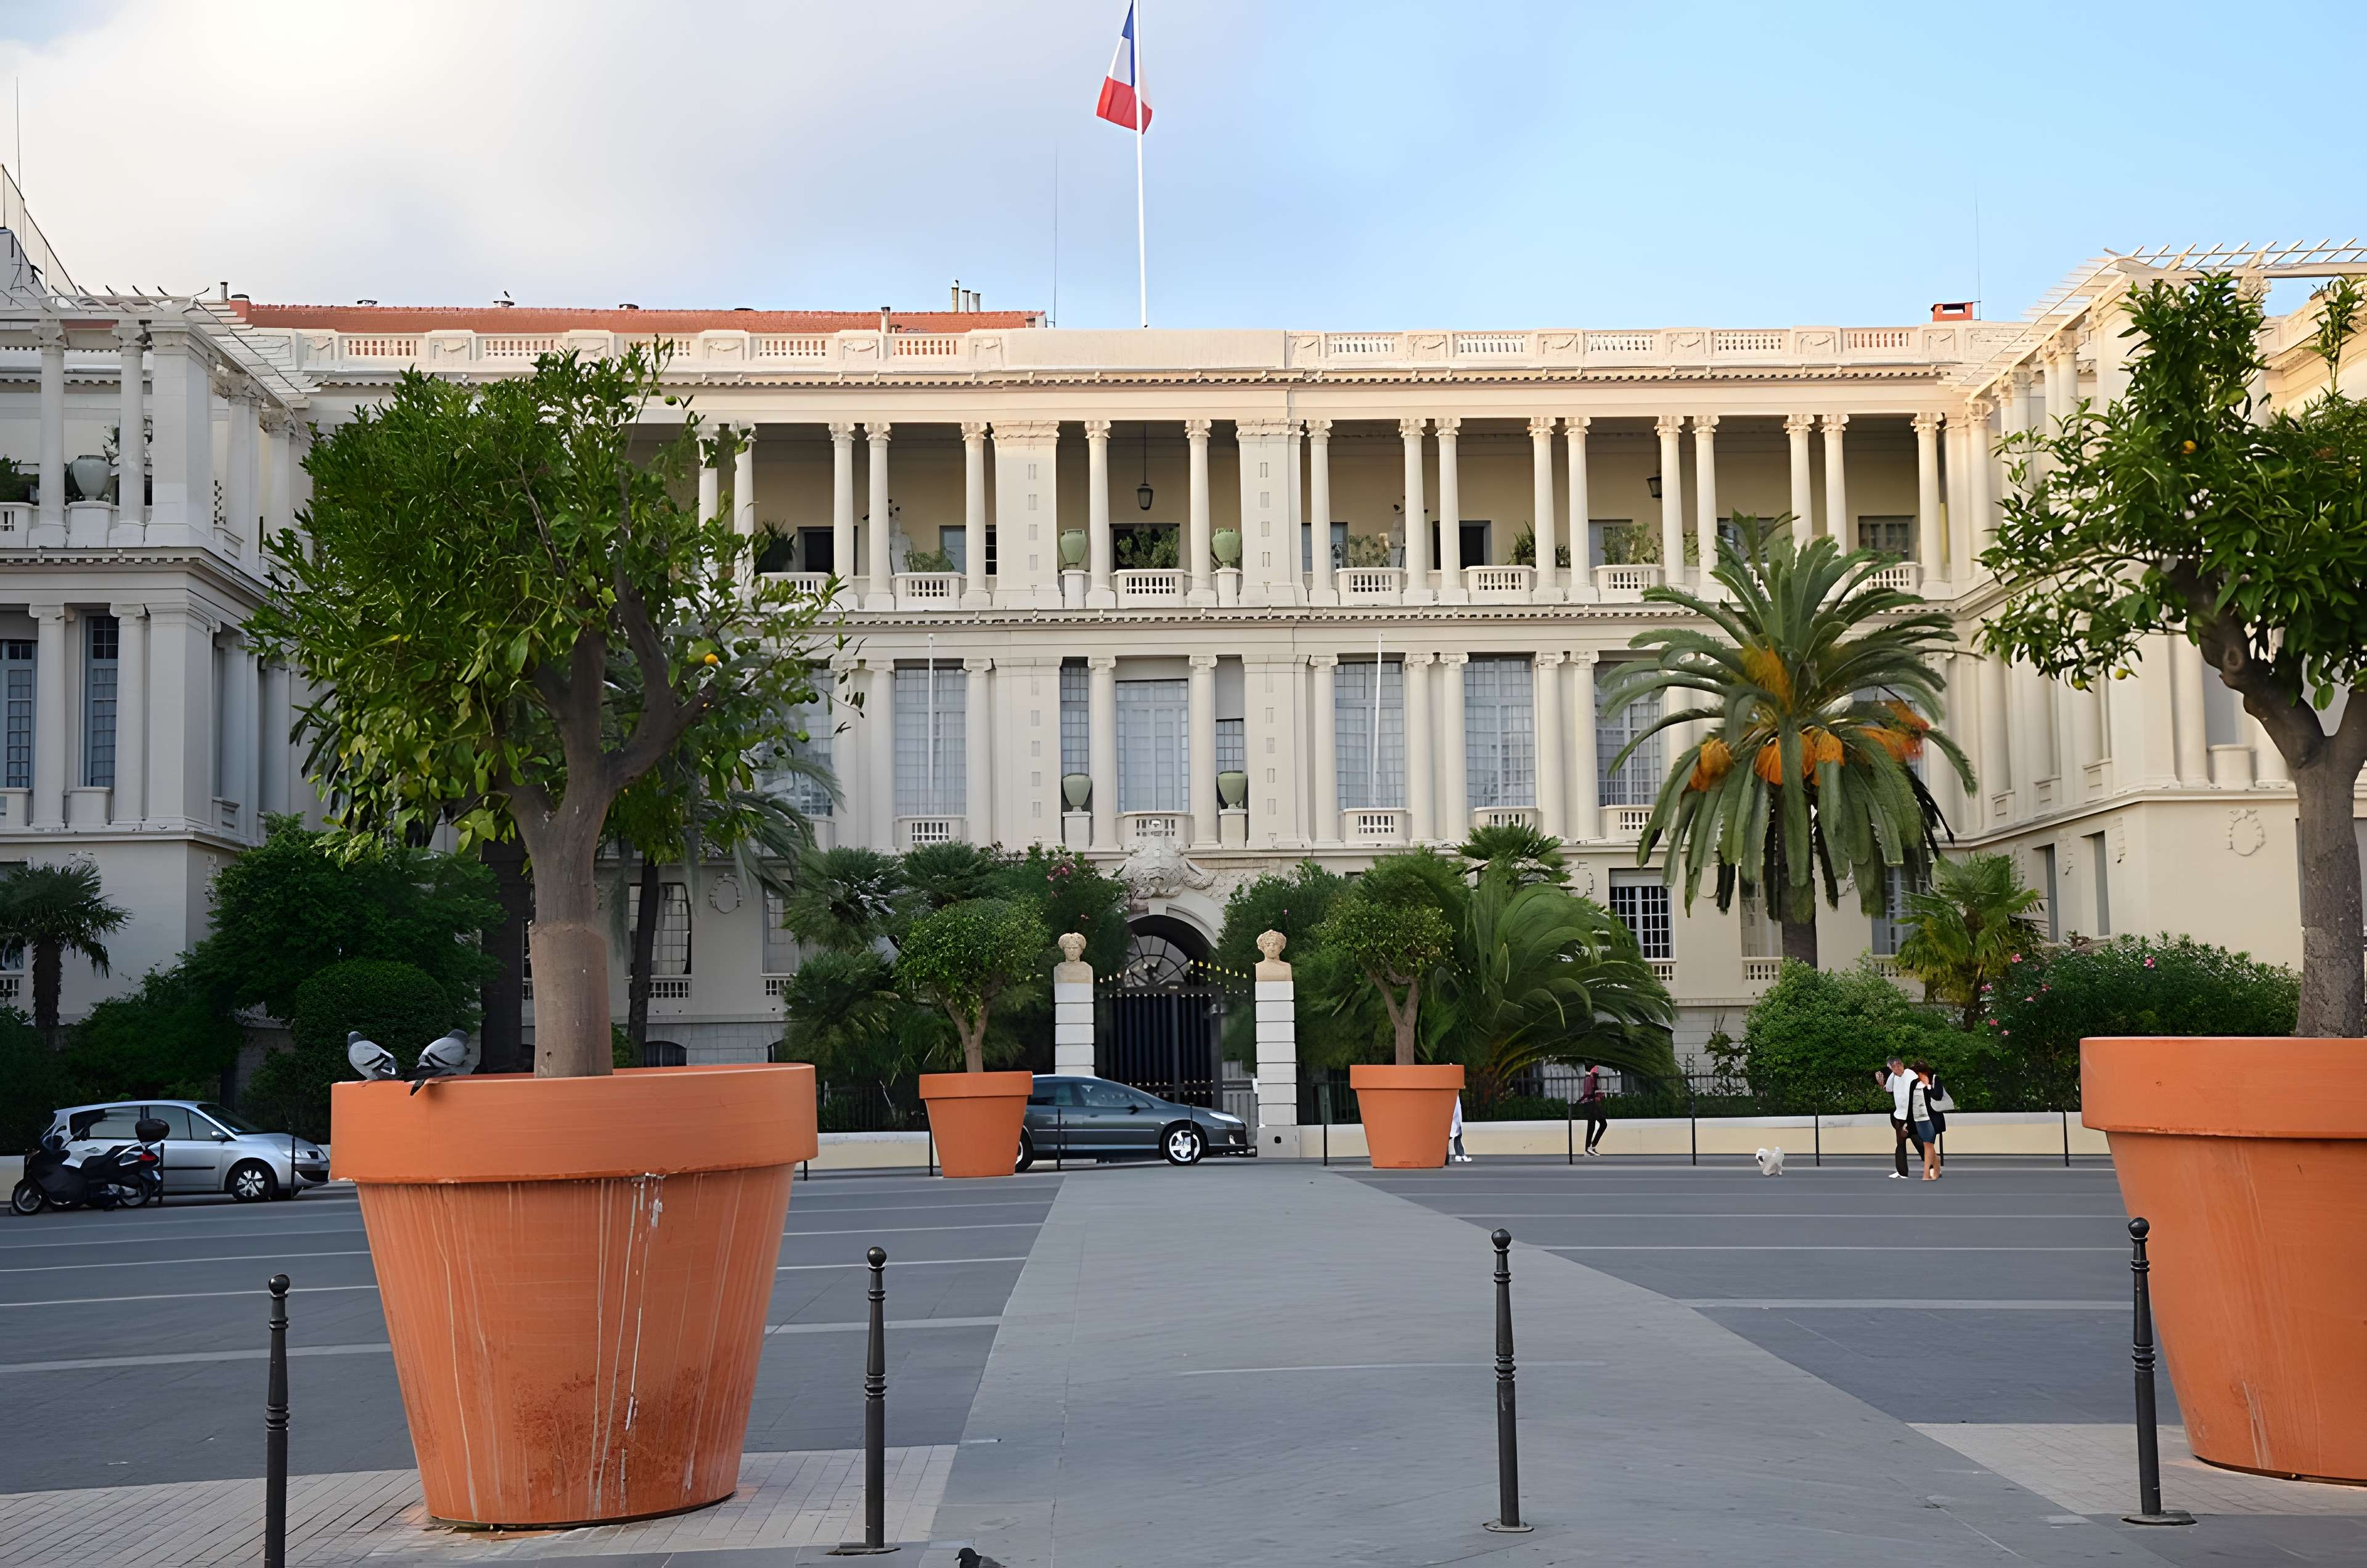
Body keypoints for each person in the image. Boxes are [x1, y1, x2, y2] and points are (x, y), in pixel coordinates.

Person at [1874, 1058, 1922, 1180]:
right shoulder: (1893, 1077)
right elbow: (1888, 1089)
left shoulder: (1911, 1074)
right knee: (1900, 1145)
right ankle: (1902, 1172)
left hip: (1912, 1117)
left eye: (1898, 1066)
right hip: (1899, 1117)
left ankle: (1933, 1167)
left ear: (1902, 1066)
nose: (1897, 1070)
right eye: (1893, 1068)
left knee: (1920, 1143)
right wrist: (1882, 1085)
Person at [1907, 1061, 1942, 1181]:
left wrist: (1928, 1086)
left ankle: (1926, 1175)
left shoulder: (1934, 1080)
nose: (1918, 1075)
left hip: (1930, 1119)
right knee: (1928, 1145)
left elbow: (1938, 1096)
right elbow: (1911, 1104)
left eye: (1919, 1073)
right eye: (1916, 1073)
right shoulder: (1913, 1084)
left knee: (1927, 1145)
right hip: (1918, 1119)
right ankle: (1936, 1164)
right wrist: (1907, 1122)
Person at [1577, 1062, 1609, 1158]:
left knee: (1597, 1125)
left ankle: (1590, 1147)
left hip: (1591, 1103)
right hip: (1589, 1103)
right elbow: (1589, 1093)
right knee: (1594, 1125)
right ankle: (1589, 1148)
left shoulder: (1592, 1077)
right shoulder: (1590, 1077)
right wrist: (1597, 1093)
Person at [1449, 1093, 1471, 1163]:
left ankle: (1459, 1155)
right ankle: (1461, 1154)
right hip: (1454, 1118)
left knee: (1457, 1134)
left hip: (1454, 1117)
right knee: (1457, 1133)